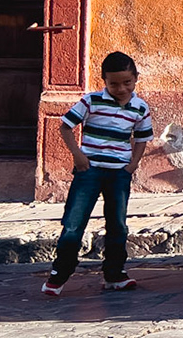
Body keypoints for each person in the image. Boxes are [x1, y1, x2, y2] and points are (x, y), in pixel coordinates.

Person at [44, 51, 153, 296]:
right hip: (89, 171)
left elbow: (142, 138)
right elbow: (65, 127)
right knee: (74, 222)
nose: (121, 89)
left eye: (127, 82)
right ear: (104, 81)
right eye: (114, 84)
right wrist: (78, 155)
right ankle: (59, 274)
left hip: (119, 173)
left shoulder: (140, 108)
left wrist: (133, 164)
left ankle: (115, 274)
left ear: (136, 78)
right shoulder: (91, 101)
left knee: (117, 224)